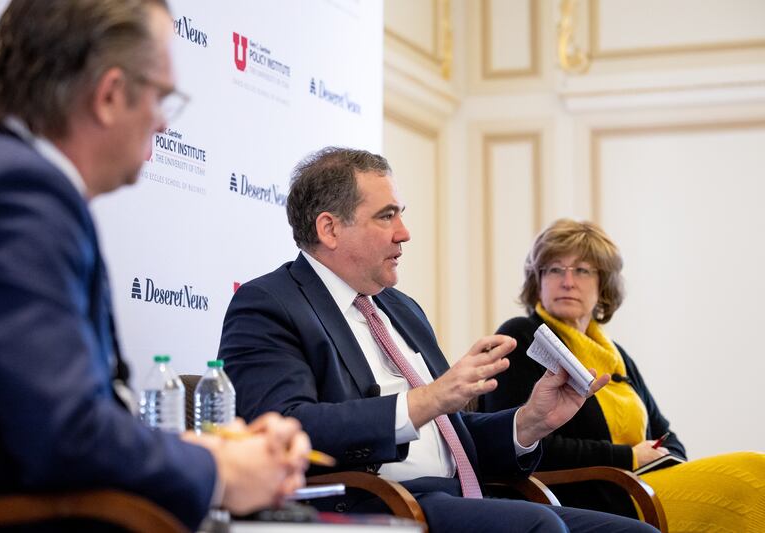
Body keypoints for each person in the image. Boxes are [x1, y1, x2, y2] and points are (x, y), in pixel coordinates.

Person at [0, 1, 309, 529]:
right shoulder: (19, 193)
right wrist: (218, 468)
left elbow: (48, 413)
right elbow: (66, 438)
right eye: (161, 97)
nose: (160, 121)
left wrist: (213, 445)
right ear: (109, 95)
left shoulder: (7, 180)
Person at [219, 146, 658, 532]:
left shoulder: (400, 307)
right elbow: (286, 431)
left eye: (401, 214)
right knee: (537, 525)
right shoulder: (270, 306)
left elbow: (451, 433)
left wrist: (530, 422)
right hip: (376, 502)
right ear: (330, 229)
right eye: (386, 216)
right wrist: (429, 399)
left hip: (459, 496)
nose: (404, 232)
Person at [479, 218, 765, 530]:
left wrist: (658, 456)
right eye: (554, 269)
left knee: (753, 473)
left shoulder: (616, 355)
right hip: (589, 497)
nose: (568, 281)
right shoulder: (523, 336)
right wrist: (627, 457)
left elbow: (668, 438)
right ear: (538, 280)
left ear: (603, 285)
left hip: (643, 487)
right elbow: (517, 438)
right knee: (752, 477)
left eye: (583, 270)